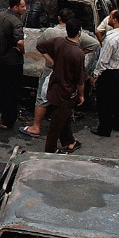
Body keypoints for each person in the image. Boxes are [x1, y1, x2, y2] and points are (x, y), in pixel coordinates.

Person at [36, 19, 86, 154]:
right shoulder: (78, 53)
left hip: (54, 87)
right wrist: (81, 95)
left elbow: (40, 46)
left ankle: (69, 141)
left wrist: (52, 62)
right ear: (79, 32)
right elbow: (80, 79)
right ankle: (50, 150)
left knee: (63, 117)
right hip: (67, 92)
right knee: (56, 125)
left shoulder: (59, 42)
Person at [89, 10, 119, 137]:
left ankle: (104, 128)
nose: (108, 18)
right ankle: (117, 123)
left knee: (105, 101)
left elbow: (103, 60)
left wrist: (95, 75)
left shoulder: (110, 38)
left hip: (111, 73)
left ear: (115, 20)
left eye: (110, 17)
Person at [0, 0, 26, 129]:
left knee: (0, 87)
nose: (25, 9)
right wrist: (22, 50)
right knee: (12, 91)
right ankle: (7, 121)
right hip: (13, 61)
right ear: (15, 7)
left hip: (0, 57)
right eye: (22, 6)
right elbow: (20, 41)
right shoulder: (16, 21)